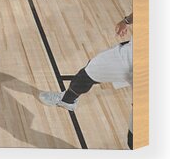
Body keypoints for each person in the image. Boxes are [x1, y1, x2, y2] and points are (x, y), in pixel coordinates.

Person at [38, 12, 134, 149]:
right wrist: (127, 20)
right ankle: (67, 100)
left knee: (135, 139)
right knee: (88, 72)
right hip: (132, 55)